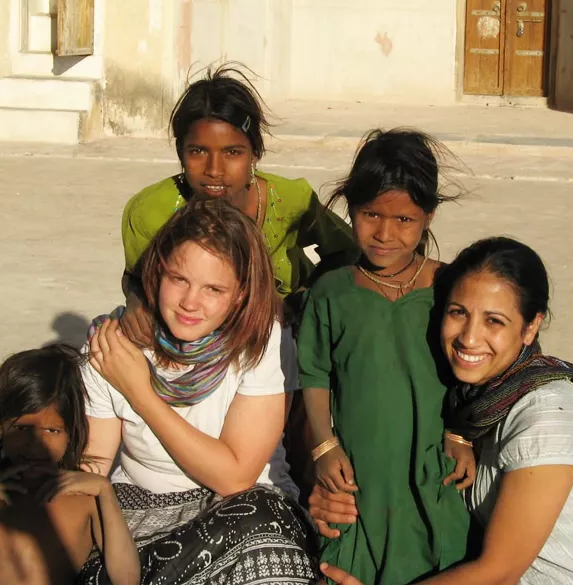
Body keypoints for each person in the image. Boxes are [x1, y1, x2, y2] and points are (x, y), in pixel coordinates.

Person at [312, 237, 573, 585]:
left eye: (494, 321)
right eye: (458, 312)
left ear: (531, 328)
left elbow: (497, 571)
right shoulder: (469, 408)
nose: (469, 337)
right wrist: (331, 497)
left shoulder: (548, 414)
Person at [78, 198, 319, 585]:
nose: (191, 302)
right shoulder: (113, 346)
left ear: (241, 293)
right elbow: (95, 462)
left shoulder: (262, 342)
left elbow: (236, 476)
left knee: (260, 529)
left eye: (214, 289)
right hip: (138, 509)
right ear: (158, 273)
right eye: (179, 279)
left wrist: (140, 393)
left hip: (243, 509)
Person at [297, 129, 473, 585]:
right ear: (350, 209)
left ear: (428, 216)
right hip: (359, 472)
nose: (385, 233)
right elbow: (314, 374)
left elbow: (478, 364)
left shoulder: (450, 287)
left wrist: (462, 433)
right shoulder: (332, 292)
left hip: (432, 466)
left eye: (405, 220)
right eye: (370, 215)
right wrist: (323, 445)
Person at [118, 63, 358, 346]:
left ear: (254, 154)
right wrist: (136, 303)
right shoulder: (150, 212)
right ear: (181, 153)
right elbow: (136, 276)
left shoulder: (293, 201)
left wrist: (305, 301)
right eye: (198, 151)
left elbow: (348, 251)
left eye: (232, 152)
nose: (215, 170)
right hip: (189, 343)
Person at [0, 344, 139, 585]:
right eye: (22, 429)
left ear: (71, 432)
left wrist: (105, 491)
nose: (35, 443)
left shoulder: (86, 497)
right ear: (0, 426)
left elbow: (127, 579)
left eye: (53, 430)